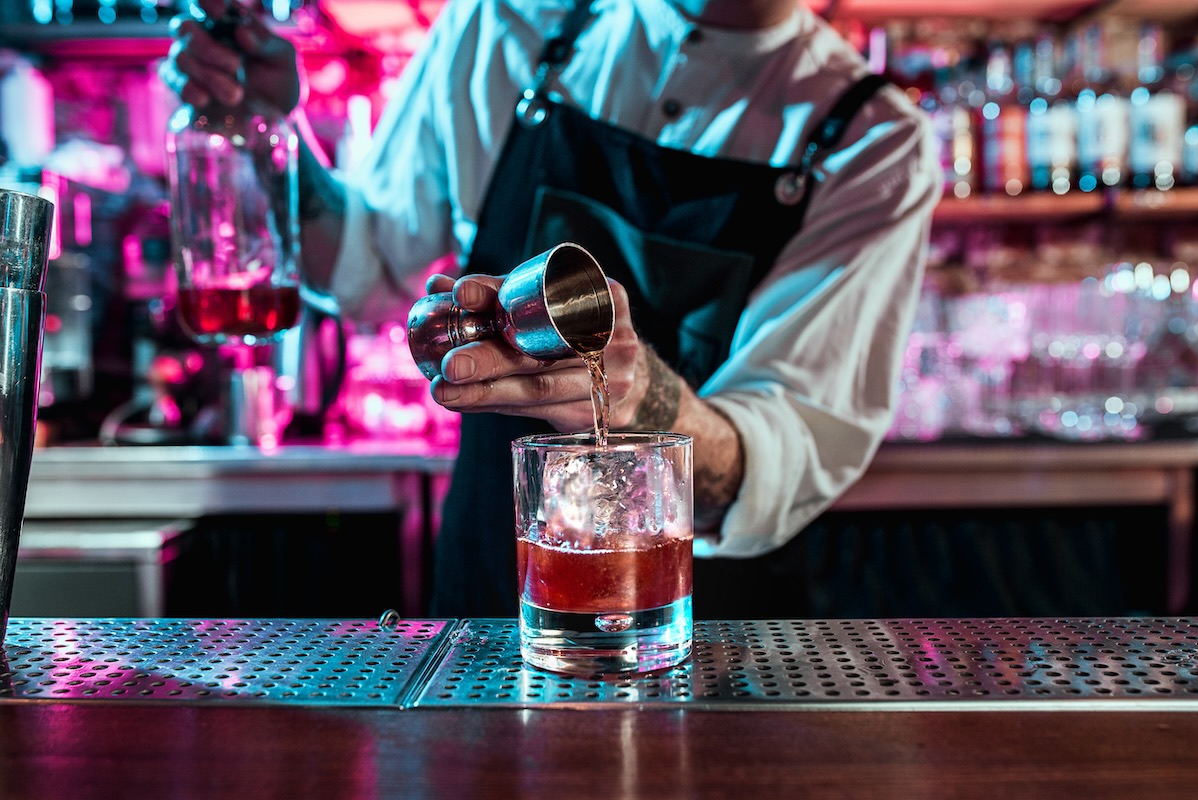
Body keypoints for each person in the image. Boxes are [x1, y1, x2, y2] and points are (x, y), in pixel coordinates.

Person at [163, 0, 944, 618]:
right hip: (491, 601)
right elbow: (365, 267)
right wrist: (272, 135)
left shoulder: (873, 143)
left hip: (704, 636)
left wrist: (640, 402)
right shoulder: (504, 20)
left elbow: (777, 456)